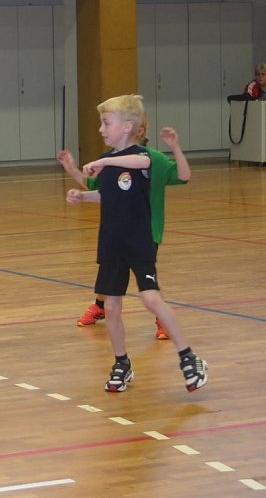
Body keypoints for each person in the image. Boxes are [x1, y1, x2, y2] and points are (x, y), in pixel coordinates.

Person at [65, 94, 207, 393]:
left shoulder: (141, 157)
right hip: (111, 242)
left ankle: (189, 357)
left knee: (151, 299)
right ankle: (121, 363)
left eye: (106, 123)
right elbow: (108, 195)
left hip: (138, 240)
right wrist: (83, 196)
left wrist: (104, 160)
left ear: (127, 126)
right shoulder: (110, 164)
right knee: (112, 306)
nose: (101, 129)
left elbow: (141, 160)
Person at [58, 123, 191, 339]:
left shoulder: (153, 159)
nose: (102, 129)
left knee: (149, 283)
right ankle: (100, 306)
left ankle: (163, 320)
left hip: (146, 230)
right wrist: (73, 171)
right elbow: (99, 189)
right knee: (110, 275)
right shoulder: (112, 160)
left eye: (108, 123)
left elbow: (184, 176)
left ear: (133, 130)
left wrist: (175, 147)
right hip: (117, 232)